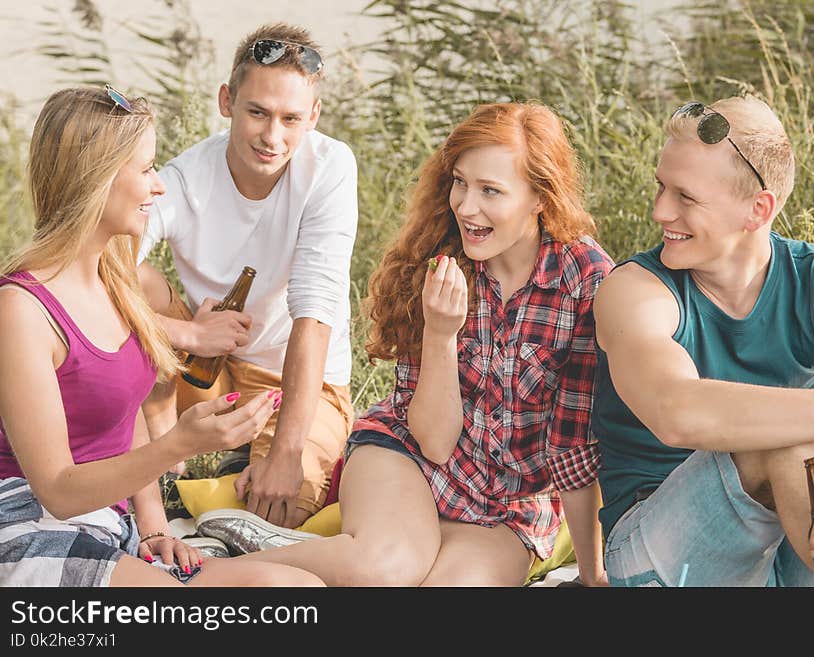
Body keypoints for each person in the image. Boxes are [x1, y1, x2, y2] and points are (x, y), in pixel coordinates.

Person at [219, 101, 614, 586]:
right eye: (461, 182)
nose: (467, 207)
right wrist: (441, 333)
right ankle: (204, 570)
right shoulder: (438, 261)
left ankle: (307, 550)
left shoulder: (585, 280)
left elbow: (573, 443)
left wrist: (594, 576)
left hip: (508, 506)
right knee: (384, 570)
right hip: (408, 460)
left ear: (539, 198)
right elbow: (434, 440)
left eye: (491, 190)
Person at [0, 86, 324, 587]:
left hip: (108, 527)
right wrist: (177, 445)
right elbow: (58, 491)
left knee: (292, 589)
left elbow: (124, 416)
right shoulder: (21, 310)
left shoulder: (114, 282)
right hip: (28, 523)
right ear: (97, 179)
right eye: (147, 169)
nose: (159, 186)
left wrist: (152, 525)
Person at [592, 95, 814, 587]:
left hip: (791, 544)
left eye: (685, 197)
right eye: (661, 187)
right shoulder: (635, 291)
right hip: (657, 555)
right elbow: (677, 413)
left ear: (757, 209)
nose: (660, 211)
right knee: (795, 441)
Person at [136, 23, 358, 529]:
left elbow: (315, 314)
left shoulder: (330, 169)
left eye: (290, 118)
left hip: (298, 380)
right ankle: (163, 433)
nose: (272, 136)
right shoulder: (185, 177)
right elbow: (95, 268)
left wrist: (285, 452)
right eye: (257, 112)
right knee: (137, 281)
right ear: (226, 101)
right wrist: (188, 332)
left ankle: (230, 463)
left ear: (314, 116)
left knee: (284, 505)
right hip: (204, 366)